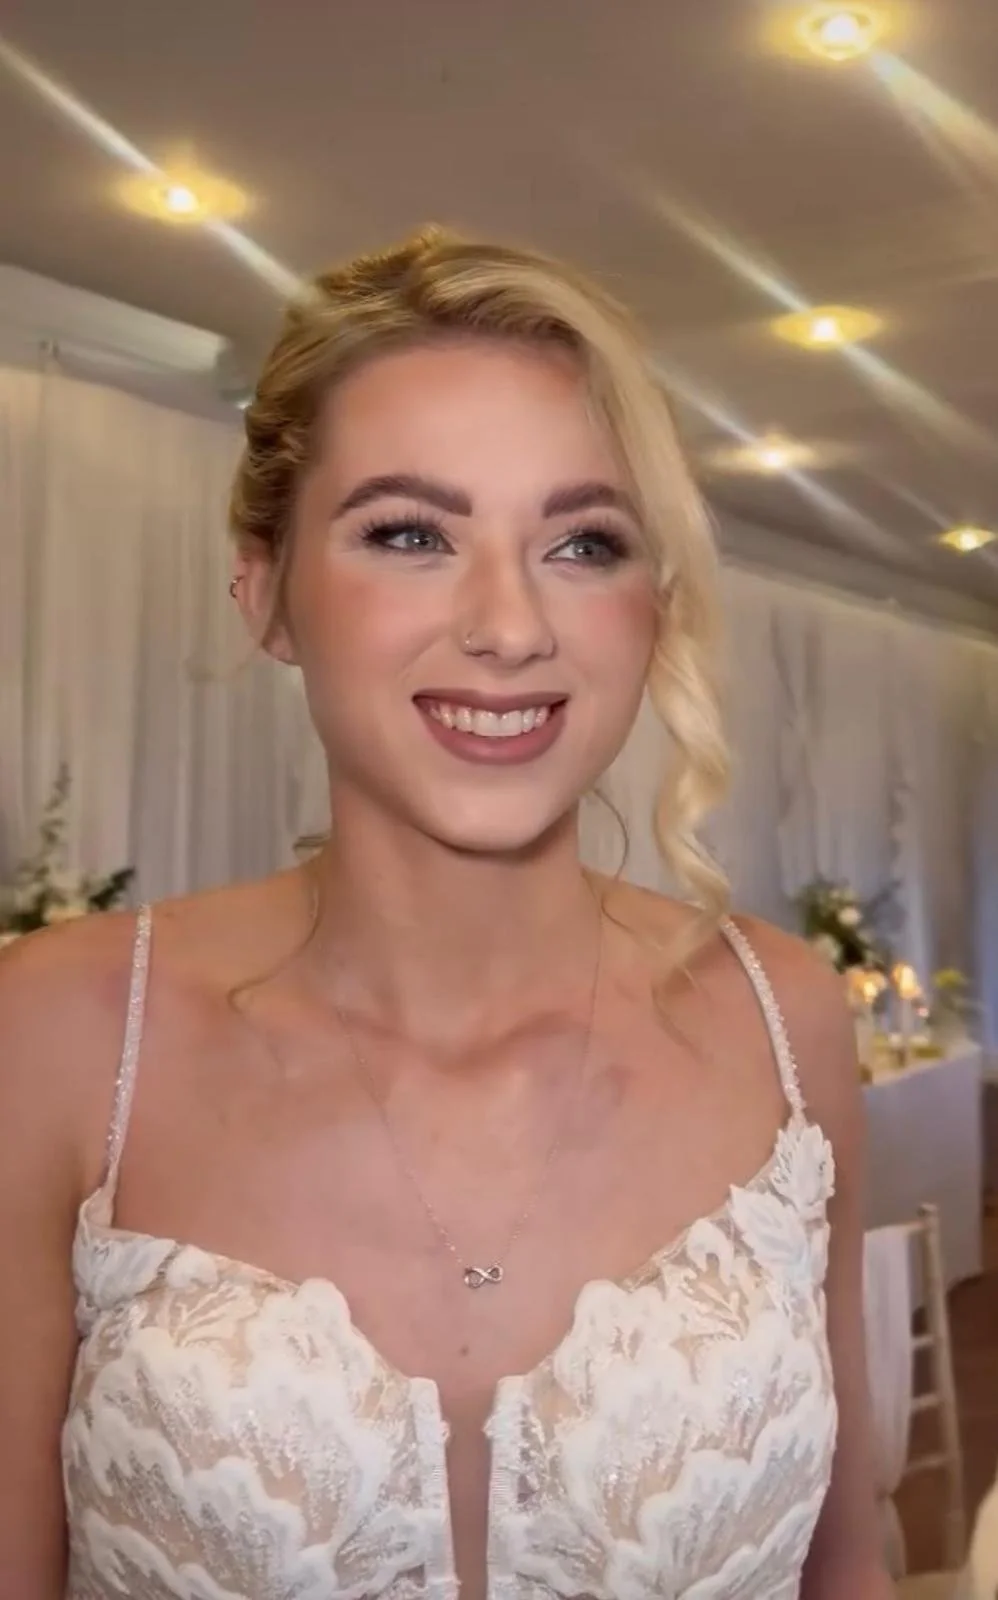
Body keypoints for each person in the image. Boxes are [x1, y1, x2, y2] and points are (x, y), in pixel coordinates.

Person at [0, 228, 893, 1599]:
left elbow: (844, 1565)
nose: (508, 626)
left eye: (581, 543)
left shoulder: (781, 1022)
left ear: (649, 610)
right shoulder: (63, 1033)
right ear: (266, 587)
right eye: (409, 533)